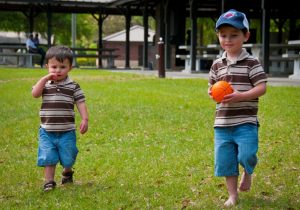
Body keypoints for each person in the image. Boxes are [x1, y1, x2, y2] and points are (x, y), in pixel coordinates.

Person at [208, 9, 267, 206]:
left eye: (234, 35)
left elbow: (261, 87)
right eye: (223, 35)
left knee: (247, 155)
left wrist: (241, 96)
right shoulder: (217, 64)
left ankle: (248, 172)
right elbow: (211, 86)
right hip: (223, 123)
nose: (228, 39)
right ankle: (233, 195)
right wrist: (211, 92)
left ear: (246, 36)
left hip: (246, 122)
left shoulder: (252, 62)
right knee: (226, 162)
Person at [32, 45, 89, 192]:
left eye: (62, 67)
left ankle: (67, 171)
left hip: (67, 131)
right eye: (54, 67)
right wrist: (44, 79)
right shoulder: (45, 84)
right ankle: (49, 181)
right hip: (47, 131)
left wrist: (85, 119)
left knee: (68, 157)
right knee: (48, 156)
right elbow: (35, 94)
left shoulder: (73, 86)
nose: (57, 70)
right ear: (47, 67)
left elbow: (80, 102)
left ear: (70, 68)